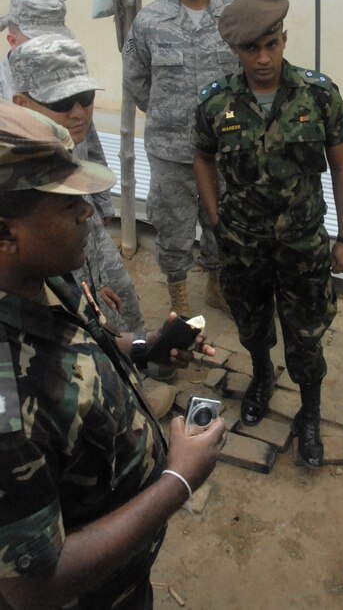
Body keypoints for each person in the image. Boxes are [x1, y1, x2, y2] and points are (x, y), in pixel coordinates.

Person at [0, 101, 226, 609]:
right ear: (3, 233)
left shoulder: (40, 272)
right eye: (67, 205)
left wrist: (144, 348)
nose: (87, 212)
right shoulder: (6, 414)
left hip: (122, 577)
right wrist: (178, 480)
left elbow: (74, 346)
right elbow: (37, 587)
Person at [193, 0, 343, 468]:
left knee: (306, 334)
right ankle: (262, 375)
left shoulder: (319, 94)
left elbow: (342, 167)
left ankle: (309, 411)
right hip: (242, 243)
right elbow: (201, 158)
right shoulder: (216, 103)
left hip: (304, 244)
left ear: (284, 39)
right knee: (252, 322)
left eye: (271, 44)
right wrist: (216, 216)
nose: (263, 59)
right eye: (251, 49)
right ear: (235, 51)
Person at [122, 0, 238, 317]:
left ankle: (216, 285)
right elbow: (136, 78)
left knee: (221, 221)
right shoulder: (150, 21)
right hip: (170, 152)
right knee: (173, 229)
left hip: (223, 149)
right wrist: (167, 115)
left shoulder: (235, 16)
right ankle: (179, 301)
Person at [9, 33, 144, 335]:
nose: (79, 112)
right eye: (62, 101)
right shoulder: (14, 172)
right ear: (22, 103)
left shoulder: (68, 131)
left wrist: (94, 286)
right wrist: (85, 297)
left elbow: (94, 157)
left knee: (126, 307)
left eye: (86, 98)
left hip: (91, 244)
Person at [1, 0, 113, 223]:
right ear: (12, 40)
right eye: (40, 40)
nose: (54, 47)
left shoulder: (69, 78)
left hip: (82, 211)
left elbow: (91, 147)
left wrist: (104, 204)